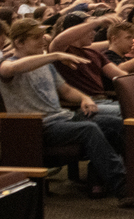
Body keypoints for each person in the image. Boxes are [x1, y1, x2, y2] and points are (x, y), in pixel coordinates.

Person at [0, 19, 127, 198]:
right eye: (36, 38)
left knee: (115, 124)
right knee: (89, 129)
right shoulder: (7, 64)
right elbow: (9, 69)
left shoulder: (45, 65)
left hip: (63, 118)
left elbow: (66, 91)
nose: (43, 41)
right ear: (19, 42)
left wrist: (84, 98)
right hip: (38, 127)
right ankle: (121, 185)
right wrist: (55, 55)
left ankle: (99, 180)